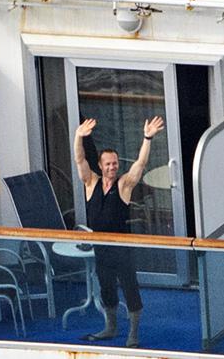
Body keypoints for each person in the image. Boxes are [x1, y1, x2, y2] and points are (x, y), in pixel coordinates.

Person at [74, 116, 165, 348]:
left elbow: (140, 165)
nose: (113, 167)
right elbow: (79, 158)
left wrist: (147, 138)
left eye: (115, 163)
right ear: (101, 165)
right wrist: (78, 136)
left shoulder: (124, 184)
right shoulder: (90, 182)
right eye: (108, 164)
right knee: (106, 288)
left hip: (122, 248)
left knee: (130, 288)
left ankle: (133, 333)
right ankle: (110, 327)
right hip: (101, 247)